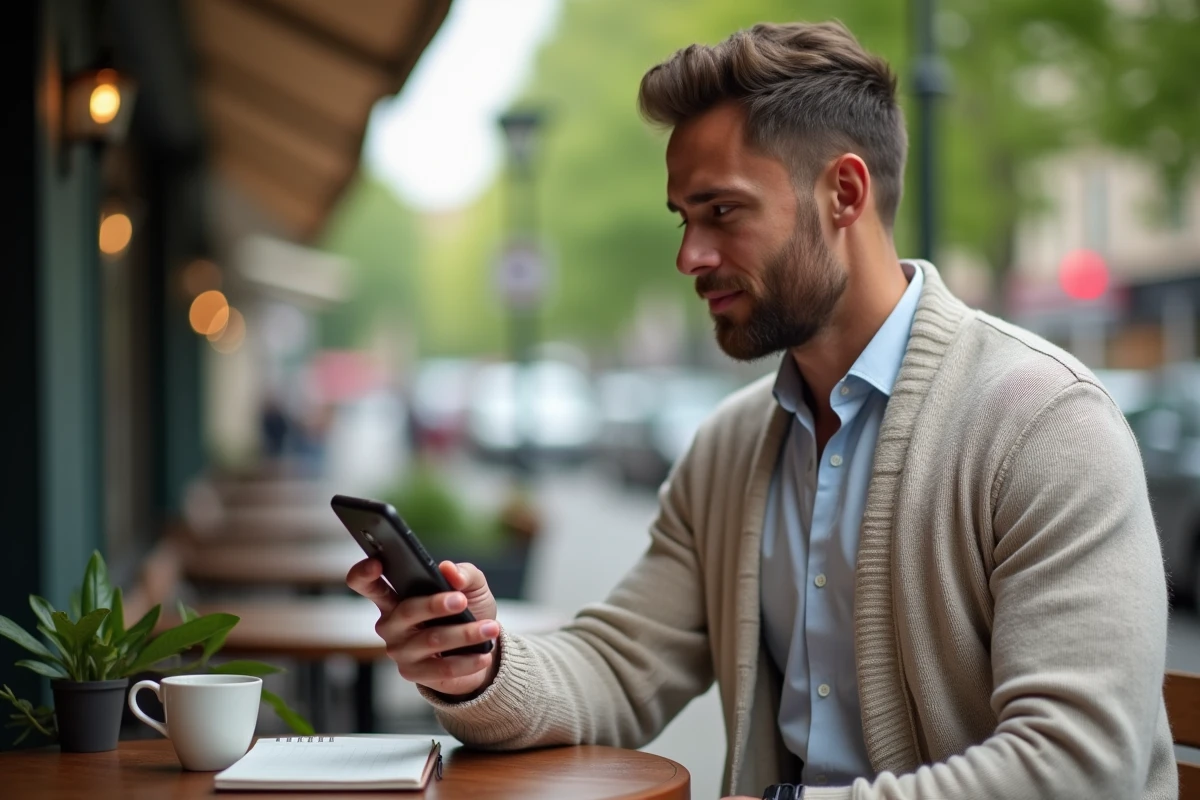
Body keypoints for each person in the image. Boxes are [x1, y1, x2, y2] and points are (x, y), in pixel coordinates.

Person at [347, 20, 1174, 800]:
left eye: (723, 212)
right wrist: (480, 666)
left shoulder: (1046, 425)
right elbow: (620, 665)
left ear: (843, 193)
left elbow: (1078, 766)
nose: (688, 256)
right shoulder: (731, 447)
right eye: (683, 218)